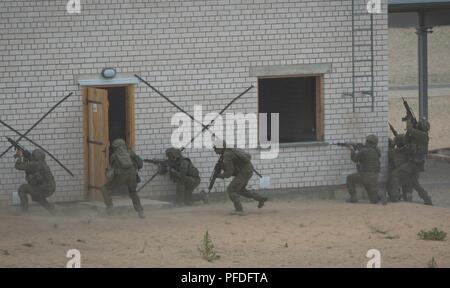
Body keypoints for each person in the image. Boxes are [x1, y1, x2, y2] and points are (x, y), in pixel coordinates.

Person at [213, 141, 268, 215]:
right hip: (247, 170)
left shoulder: (227, 154)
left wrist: (218, 175)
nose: (215, 150)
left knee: (231, 190)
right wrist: (223, 167)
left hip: (244, 172)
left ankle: (239, 209)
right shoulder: (230, 150)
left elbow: (229, 173)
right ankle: (260, 198)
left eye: (215, 148)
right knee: (240, 190)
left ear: (220, 148)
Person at [390, 118, 432, 205]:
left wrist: (409, 122)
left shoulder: (422, 135)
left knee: (394, 175)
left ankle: (394, 197)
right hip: (416, 164)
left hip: (414, 164)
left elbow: (410, 130)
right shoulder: (419, 136)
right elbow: (408, 138)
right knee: (414, 183)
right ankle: (427, 199)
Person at [102, 138, 145, 218]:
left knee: (105, 188)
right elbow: (140, 164)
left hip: (121, 176)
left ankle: (110, 209)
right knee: (133, 192)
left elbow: (112, 169)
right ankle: (140, 211)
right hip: (132, 175)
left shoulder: (114, 156)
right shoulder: (130, 152)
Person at [346, 134, 386, 205]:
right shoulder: (377, 151)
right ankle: (380, 195)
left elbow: (355, 159)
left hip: (365, 175)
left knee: (349, 178)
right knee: (373, 200)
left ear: (368, 141)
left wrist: (352, 150)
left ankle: (353, 197)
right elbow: (368, 156)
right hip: (375, 177)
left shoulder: (364, 150)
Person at [15, 149, 56, 214]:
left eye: (33, 155)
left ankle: (24, 211)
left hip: (44, 188)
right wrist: (26, 158)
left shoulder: (35, 164)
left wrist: (19, 156)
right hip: (50, 188)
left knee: (22, 188)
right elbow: (29, 168)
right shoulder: (42, 163)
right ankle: (50, 208)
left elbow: (18, 166)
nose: (32, 156)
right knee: (36, 196)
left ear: (35, 157)